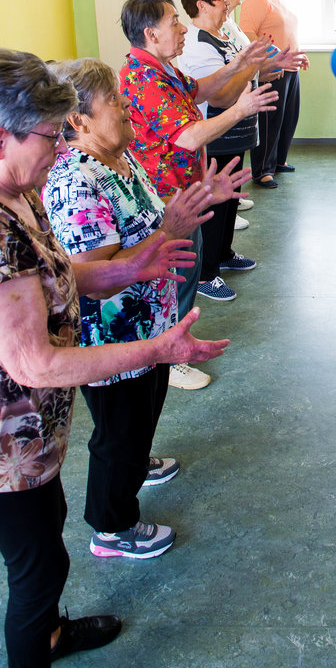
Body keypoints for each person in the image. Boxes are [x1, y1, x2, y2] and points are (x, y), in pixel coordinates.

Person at [0, 49, 229, 667]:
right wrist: (158, 348)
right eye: (49, 135)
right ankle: (37, 643)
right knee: (37, 568)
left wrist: (136, 262)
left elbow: (64, 274)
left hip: (31, 441)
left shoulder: (18, 194)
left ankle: (50, 633)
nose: (55, 151)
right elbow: (33, 365)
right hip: (8, 449)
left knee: (46, 550)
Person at [43, 58, 249, 560]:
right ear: (79, 121)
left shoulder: (121, 159)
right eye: (113, 99)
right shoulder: (76, 182)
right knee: (118, 434)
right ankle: (111, 527)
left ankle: (137, 463)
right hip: (110, 342)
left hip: (148, 331)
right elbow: (93, 277)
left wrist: (203, 196)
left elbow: (150, 220)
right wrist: (171, 234)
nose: (125, 105)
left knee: (142, 414)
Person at [119, 0, 277, 390]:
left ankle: (175, 345)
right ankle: (168, 357)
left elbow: (202, 90)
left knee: (186, 273)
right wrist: (241, 109)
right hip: (164, 198)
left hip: (183, 193)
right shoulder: (142, 77)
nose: (183, 27)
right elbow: (187, 137)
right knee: (174, 277)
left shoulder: (163, 70)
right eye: (174, 22)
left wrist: (240, 63)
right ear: (151, 33)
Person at [178, 0, 302, 300]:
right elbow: (219, 95)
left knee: (231, 197)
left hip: (238, 128)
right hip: (217, 131)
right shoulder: (197, 43)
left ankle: (224, 254)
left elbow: (245, 69)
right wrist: (250, 69)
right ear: (203, 5)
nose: (228, 3)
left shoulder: (224, 33)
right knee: (214, 206)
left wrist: (271, 65)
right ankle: (206, 274)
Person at [239, 0, 309, 188]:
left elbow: (287, 29)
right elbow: (247, 35)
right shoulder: (255, 0)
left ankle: (279, 161)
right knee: (270, 120)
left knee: (288, 117)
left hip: (290, 67)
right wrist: (272, 58)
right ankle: (262, 171)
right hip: (273, 67)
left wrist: (300, 55)